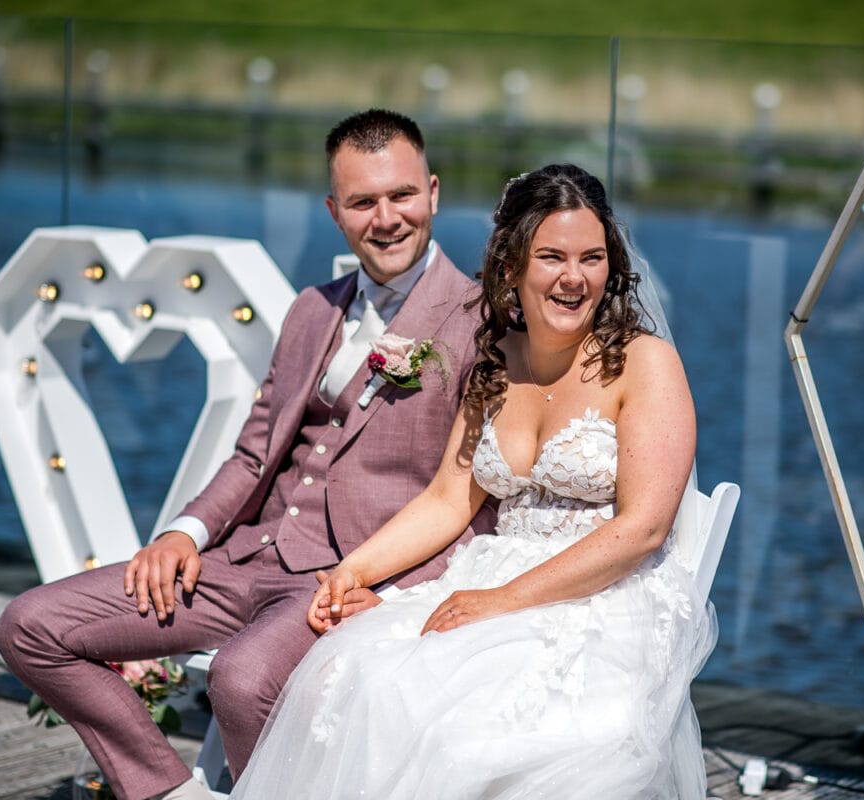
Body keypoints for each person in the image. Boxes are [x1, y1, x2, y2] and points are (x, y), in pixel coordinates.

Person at [0, 109, 492, 800]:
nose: (386, 218)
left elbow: (473, 497)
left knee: (240, 677)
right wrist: (183, 532)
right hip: (238, 561)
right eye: (362, 202)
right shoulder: (311, 309)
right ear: (334, 212)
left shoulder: (481, 321)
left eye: (401, 195)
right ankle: (171, 792)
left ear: (433, 193)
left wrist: (396, 592)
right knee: (29, 627)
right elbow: (256, 453)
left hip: (343, 584)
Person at [231, 164, 718, 799]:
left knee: (469, 733)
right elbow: (447, 499)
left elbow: (643, 529)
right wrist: (354, 570)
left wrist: (501, 602)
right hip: (486, 576)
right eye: (551, 257)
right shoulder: (497, 357)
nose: (574, 278)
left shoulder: (644, 363)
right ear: (512, 266)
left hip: (603, 596)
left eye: (591, 257)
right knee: (358, 675)